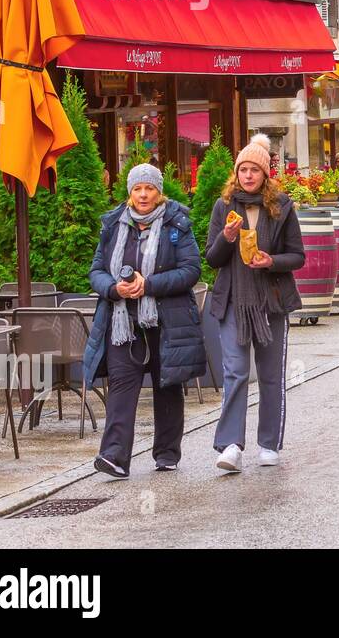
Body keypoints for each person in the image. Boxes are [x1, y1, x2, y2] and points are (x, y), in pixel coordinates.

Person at [86, 163, 203, 478]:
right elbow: (96, 270)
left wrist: (147, 284)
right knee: (122, 386)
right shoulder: (113, 225)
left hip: (166, 321)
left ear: (158, 191)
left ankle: (166, 453)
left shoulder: (175, 224)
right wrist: (114, 288)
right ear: (129, 192)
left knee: (167, 386)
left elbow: (191, 270)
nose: (143, 194)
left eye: (149, 188)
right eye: (137, 188)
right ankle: (114, 457)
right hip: (124, 323)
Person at [205, 134, 306, 472]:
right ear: (236, 173)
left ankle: (268, 444)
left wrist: (271, 262)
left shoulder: (281, 207)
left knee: (270, 374)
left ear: (265, 174)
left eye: (254, 170)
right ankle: (231, 445)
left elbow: (298, 257)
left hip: (270, 301)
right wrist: (226, 238)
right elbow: (213, 259)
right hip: (234, 300)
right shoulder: (224, 207)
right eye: (242, 169)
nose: (248, 175)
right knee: (235, 372)